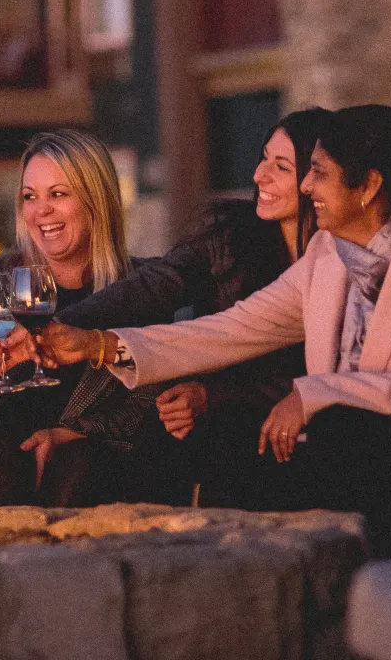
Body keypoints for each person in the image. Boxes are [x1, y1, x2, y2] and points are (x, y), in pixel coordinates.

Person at [41, 105, 391, 528]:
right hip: (356, 436)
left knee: (340, 438)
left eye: (318, 173)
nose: (306, 186)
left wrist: (311, 394)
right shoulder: (328, 254)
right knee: (235, 449)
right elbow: (233, 329)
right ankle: (244, 583)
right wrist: (99, 344)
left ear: (368, 186)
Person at [57, 109, 329, 482]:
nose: (258, 175)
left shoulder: (340, 258)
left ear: (320, 178)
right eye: (263, 157)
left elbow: (343, 370)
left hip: (303, 418)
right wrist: (66, 322)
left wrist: (216, 397)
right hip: (217, 412)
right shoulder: (229, 233)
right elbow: (159, 283)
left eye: (281, 167)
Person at [0, 129, 174, 507]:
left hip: (92, 456)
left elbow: (150, 400)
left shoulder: (140, 288)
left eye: (58, 194)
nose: (41, 211)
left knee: (77, 467)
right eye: (30, 197)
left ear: (96, 200)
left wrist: (72, 433)